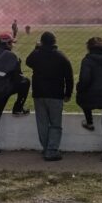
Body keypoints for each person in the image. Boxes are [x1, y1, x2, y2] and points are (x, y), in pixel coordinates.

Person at [26, 32, 74, 161]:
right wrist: (68, 93)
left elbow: (28, 62)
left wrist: (36, 48)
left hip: (39, 94)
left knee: (42, 123)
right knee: (55, 123)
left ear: (42, 42)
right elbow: (69, 77)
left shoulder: (36, 55)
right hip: (55, 94)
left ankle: (46, 148)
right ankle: (51, 150)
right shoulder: (61, 56)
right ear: (54, 42)